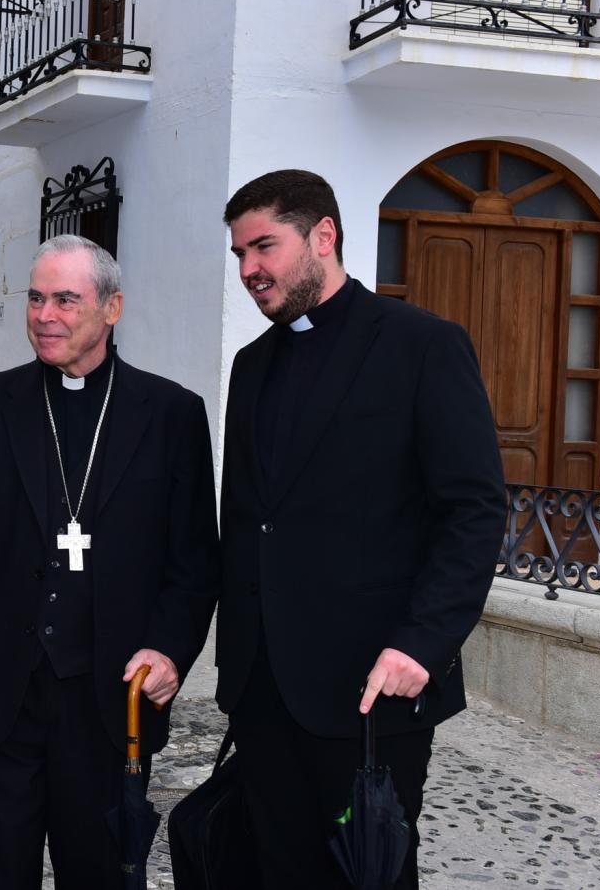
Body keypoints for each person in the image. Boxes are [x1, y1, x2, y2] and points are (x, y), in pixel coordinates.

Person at [0, 235, 220, 888]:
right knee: (0, 873)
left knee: (103, 874)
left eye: (65, 299)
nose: (45, 314)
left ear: (111, 308)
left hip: (113, 699)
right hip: (4, 693)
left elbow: (196, 558)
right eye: (35, 298)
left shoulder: (171, 414)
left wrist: (171, 648)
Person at [211, 169, 504, 889]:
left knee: (367, 876)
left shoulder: (422, 346)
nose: (249, 270)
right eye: (240, 254)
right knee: (274, 871)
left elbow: (474, 510)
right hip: (264, 687)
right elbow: (252, 520)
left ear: (323, 236)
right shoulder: (252, 365)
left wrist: (423, 643)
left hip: (374, 688)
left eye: (264, 247)